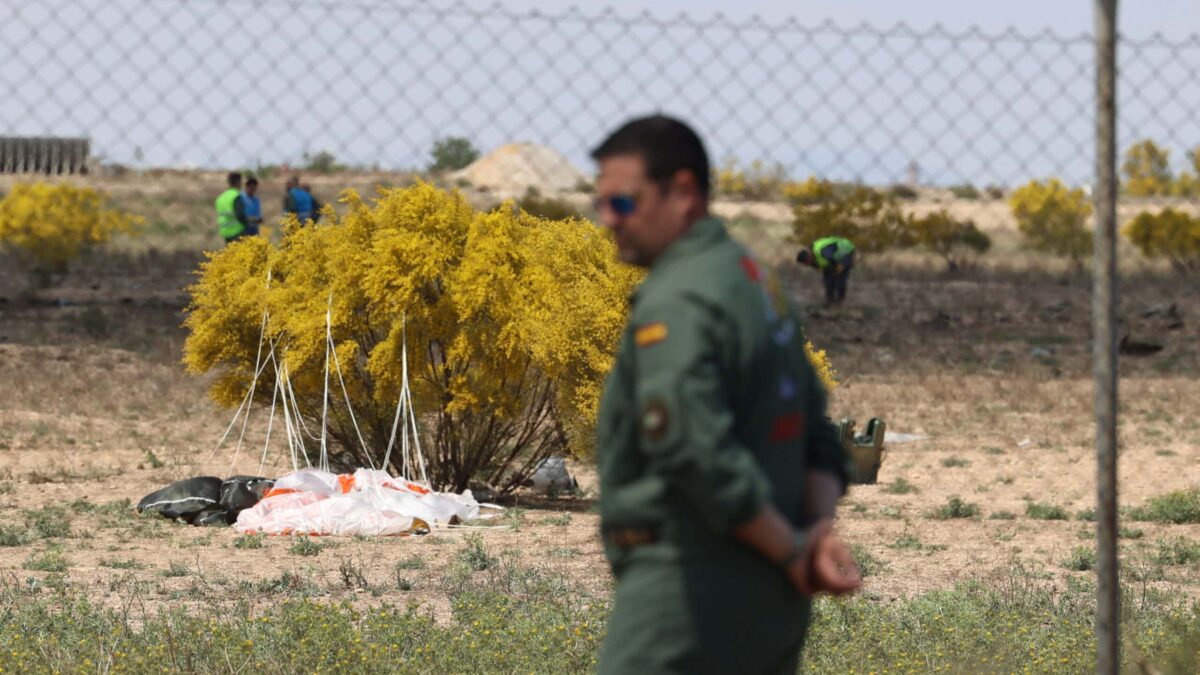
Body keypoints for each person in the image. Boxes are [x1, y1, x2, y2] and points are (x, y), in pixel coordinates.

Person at [592, 115, 860, 675]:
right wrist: (813, 532)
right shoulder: (754, 282)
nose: (605, 221)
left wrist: (792, 550)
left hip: (688, 594)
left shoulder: (681, 298)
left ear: (683, 192)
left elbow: (694, 451)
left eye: (620, 203)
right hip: (771, 603)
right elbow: (819, 434)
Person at [796, 236, 856, 305]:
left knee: (840, 280)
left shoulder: (823, 251)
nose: (807, 266)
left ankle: (840, 302)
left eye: (806, 263)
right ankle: (830, 301)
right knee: (828, 281)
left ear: (808, 258)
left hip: (844, 251)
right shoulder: (811, 257)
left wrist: (838, 267)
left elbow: (831, 259)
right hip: (832, 257)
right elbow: (820, 267)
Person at [215, 172, 250, 244]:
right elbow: (240, 214)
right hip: (237, 231)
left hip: (225, 232)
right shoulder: (236, 195)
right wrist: (247, 224)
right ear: (238, 182)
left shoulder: (221, 197)